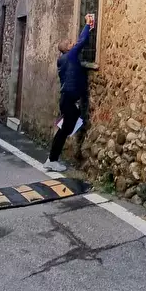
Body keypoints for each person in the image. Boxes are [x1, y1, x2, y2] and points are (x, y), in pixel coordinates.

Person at [44, 13, 95, 172]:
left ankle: (51, 159)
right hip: (69, 99)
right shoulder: (71, 55)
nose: (73, 44)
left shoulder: (64, 60)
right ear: (67, 48)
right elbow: (82, 41)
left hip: (67, 99)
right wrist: (88, 25)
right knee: (65, 129)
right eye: (70, 43)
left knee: (65, 128)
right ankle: (52, 160)